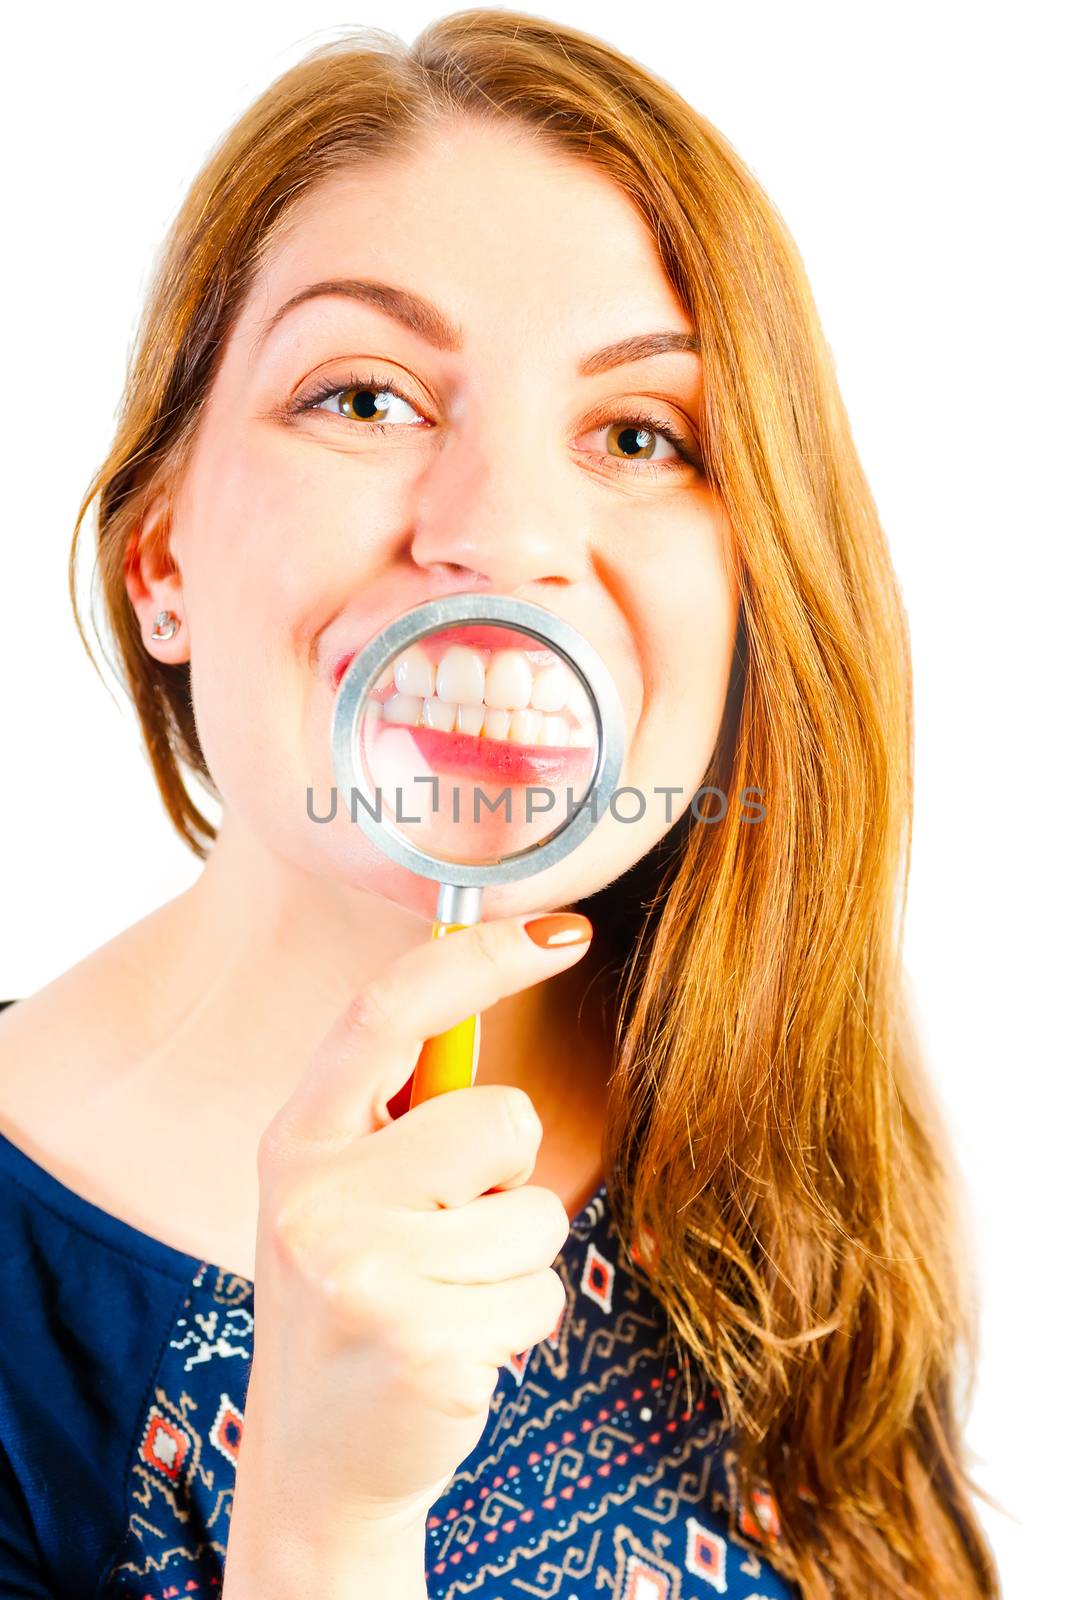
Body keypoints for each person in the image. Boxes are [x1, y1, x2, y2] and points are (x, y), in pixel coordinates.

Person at [0, 10, 1000, 1599]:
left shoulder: (772, 1123)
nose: (503, 534)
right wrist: (322, 1526)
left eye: (637, 433)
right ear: (162, 555)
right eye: (368, 399)